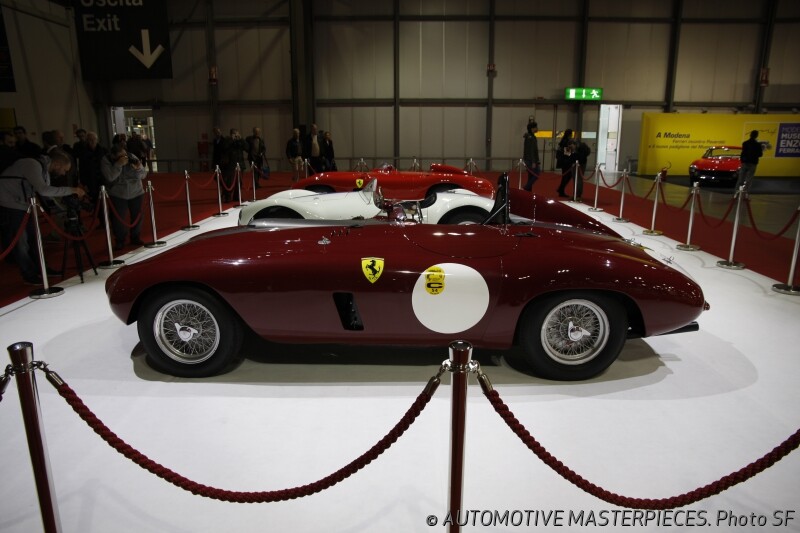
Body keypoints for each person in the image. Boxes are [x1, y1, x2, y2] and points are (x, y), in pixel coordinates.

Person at [0, 149, 86, 284]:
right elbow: (44, 190)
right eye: (64, 170)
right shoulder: (32, 165)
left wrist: (62, 207)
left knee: (35, 239)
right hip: (12, 205)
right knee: (21, 242)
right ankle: (29, 274)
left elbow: (46, 193)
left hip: (24, 204)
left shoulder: (43, 169)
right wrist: (72, 190)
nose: (63, 173)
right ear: (57, 164)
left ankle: (42, 270)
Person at [101, 144, 147, 250]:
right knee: (118, 219)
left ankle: (135, 237)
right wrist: (118, 165)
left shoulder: (131, 157)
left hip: (136, 192)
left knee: (138, 216)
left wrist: (138, 168)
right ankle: (120, 240)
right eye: (120, 156)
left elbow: (143, 175)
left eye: (124, 155)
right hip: (118, 194)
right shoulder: (106, 160)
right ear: (113, 156)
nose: (124, 158)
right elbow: (110, 177)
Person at [78, 131, 107, 208]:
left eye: (94, 139)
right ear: (87, 141)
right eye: (90, 140)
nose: (92, 141)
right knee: (95, 200)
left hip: (103, 179)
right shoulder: (83, 152)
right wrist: (84, 183)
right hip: (91, 180)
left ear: (97, 140)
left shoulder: (103, 150)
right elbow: (81, 168)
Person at [221, 128, 248, 202]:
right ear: (231, 134)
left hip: (240, 164)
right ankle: (228, 197)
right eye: (234, 133)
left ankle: (237, 196)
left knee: (239, 182)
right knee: (230, 182)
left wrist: (241, 139)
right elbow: (224, 148)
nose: (236, 135)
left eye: (237, 133)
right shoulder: (227, 140)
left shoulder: (240, 141)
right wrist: (231, 140)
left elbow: (247, 148)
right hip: (230, 164)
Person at [522, 121, 540, 191]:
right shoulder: (531, 138)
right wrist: (533, 161)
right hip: (530, 160)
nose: (537, 128)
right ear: (532, 128)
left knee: (530, 176)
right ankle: (526, 188)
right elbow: (531, 150)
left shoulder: (530, 137)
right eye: (536, 127)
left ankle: (528, 191)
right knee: (536, 174)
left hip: (528, 159)